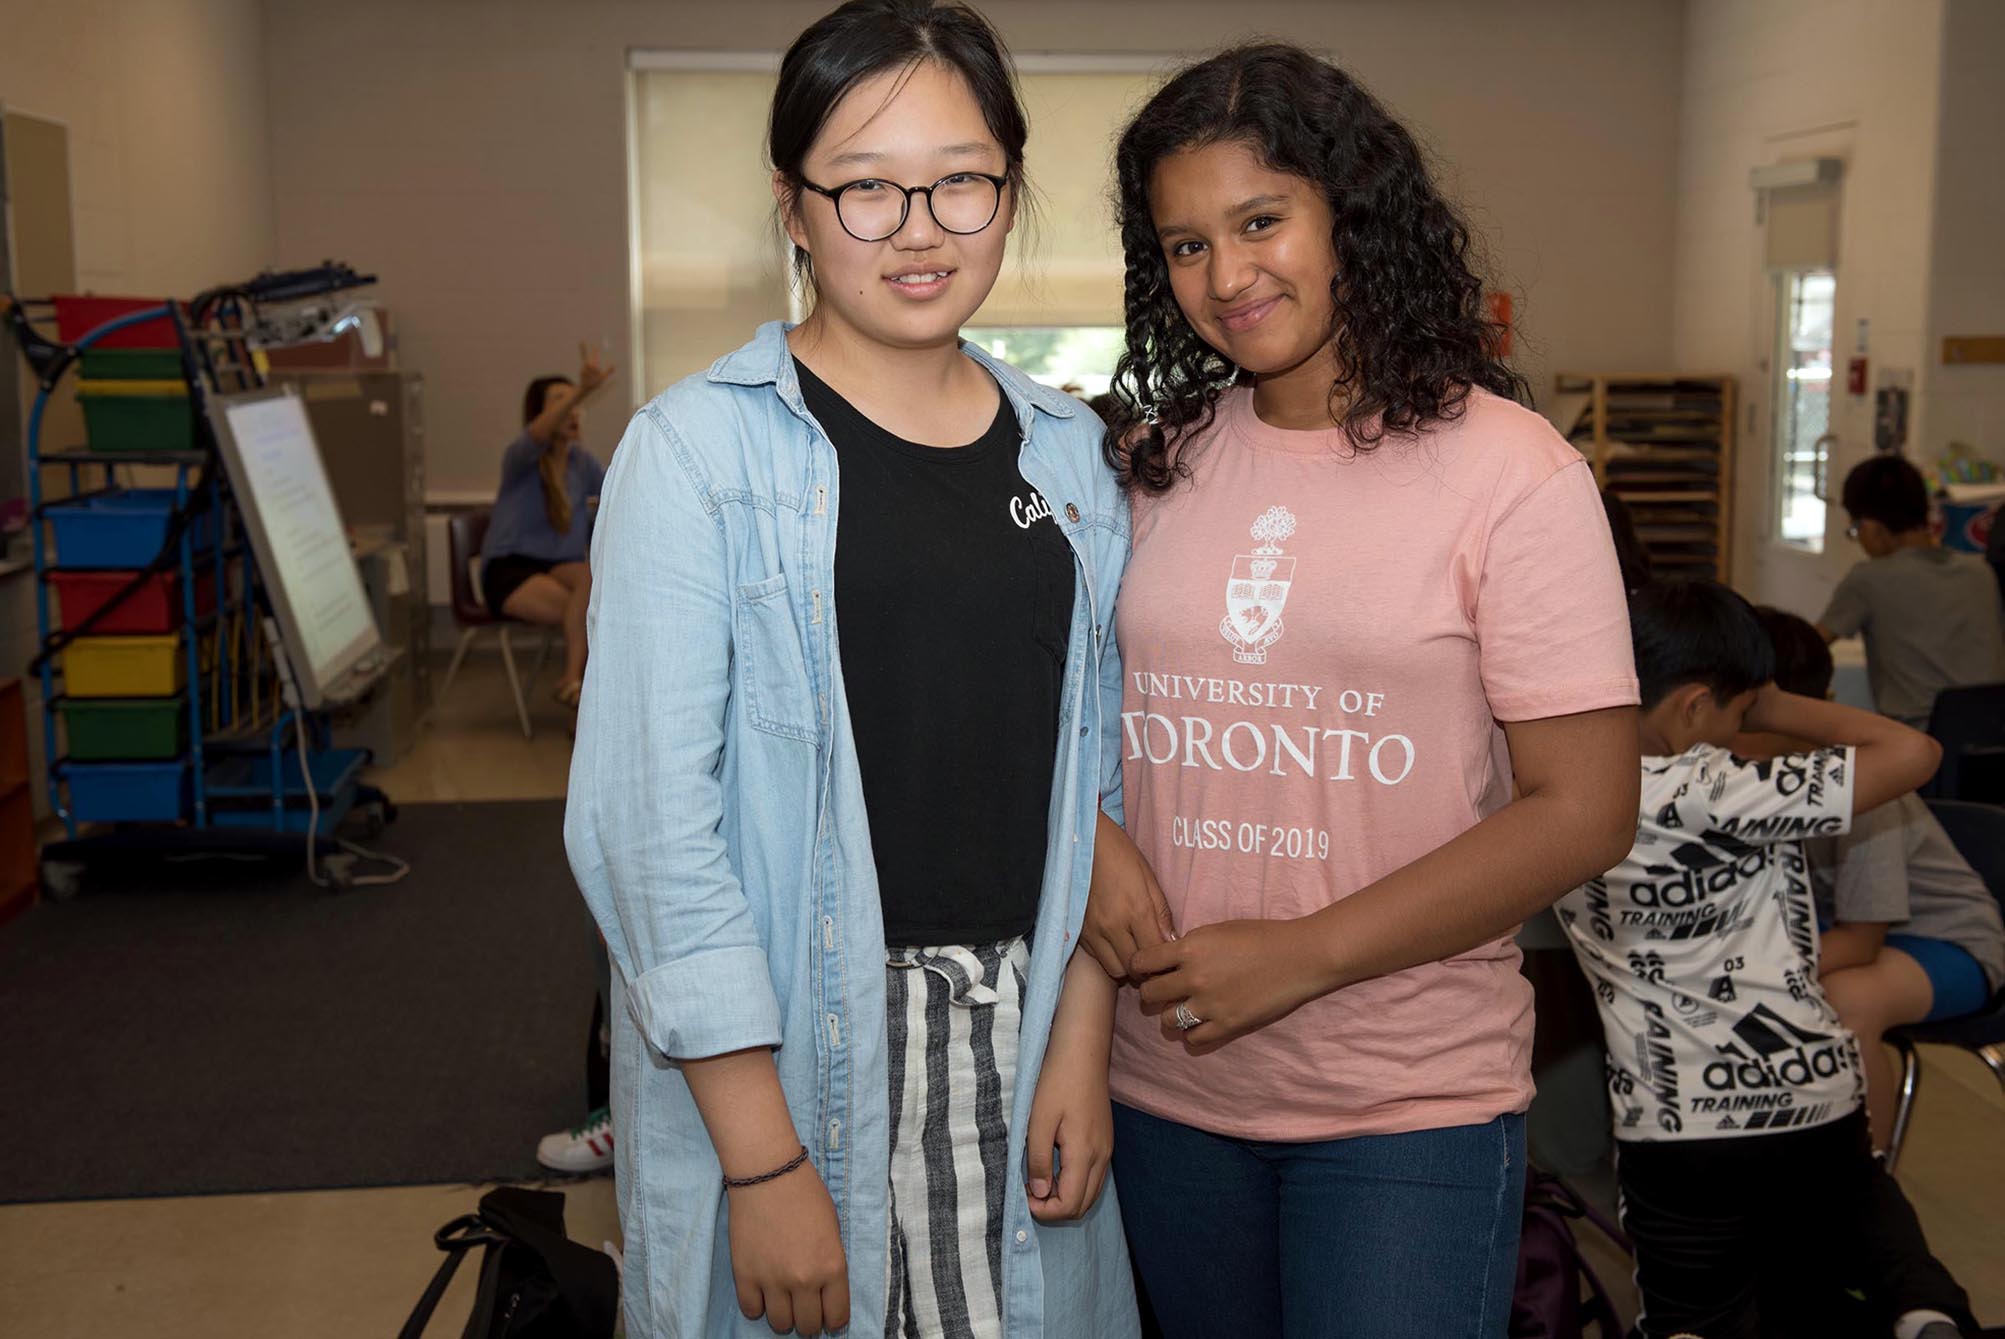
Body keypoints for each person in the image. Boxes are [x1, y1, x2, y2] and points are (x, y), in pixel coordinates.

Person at [563, 4, 1137, 1336]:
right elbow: (647, 832)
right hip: (798, 1053)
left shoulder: (1070, 456)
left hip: (1030, 1024)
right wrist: (763, 1160)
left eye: (961, 181)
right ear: (795, 206)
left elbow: (1098, 780)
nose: (921, 226)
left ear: (1011, 185)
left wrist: (1082, 1039)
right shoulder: (698, 455)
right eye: (867, 188)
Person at [1079, 44, 1642, 1337]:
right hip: (1167, 1086)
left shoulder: (1513, 473)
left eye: (1260, 221)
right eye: (1183, 244)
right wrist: (1088, 833)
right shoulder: (1152, 464)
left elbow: (1584, 808)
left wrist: (1304, 955)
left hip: (1404, 1103)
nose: (1226, 277)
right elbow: (1076, 722)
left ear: (1354, 212)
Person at [1553, 579, 1978, 1339]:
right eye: (1736, 711)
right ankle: (1918, 1305)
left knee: (1693, 1310)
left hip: (1674, 1126)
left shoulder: (1561, 794)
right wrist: (1773, 702)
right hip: (1811, 1101)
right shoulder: (1729, 783)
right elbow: (1914, 751)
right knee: (1860, 1233)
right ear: (1694, 705)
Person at [1754, 606, 2005, 1151]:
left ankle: (1863, 1183)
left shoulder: (1861, 790)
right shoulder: (1741, 778)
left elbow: (1863, 942)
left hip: (1946, 939)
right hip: (1843, 929)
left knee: (1843, 998)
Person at [1817, 454, 2005, 728]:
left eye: (1856, 530)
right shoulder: (1980, 572)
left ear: (1872, 527)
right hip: (1993, 740)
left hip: (1919, 743)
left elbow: (1805, 650)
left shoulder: (1869, 579)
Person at [481, 345, 614, 707]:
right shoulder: (521, 459)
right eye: (561, 402)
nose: (572, 410)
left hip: (559, 568)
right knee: (592, 617)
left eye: (575, 403)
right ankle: (580, 699)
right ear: (542, 413)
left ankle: (572, 684)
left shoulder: (581, 463)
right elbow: (536, 435)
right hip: (510, 569)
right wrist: (583, 389)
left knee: (592, 585)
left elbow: (616, 496)